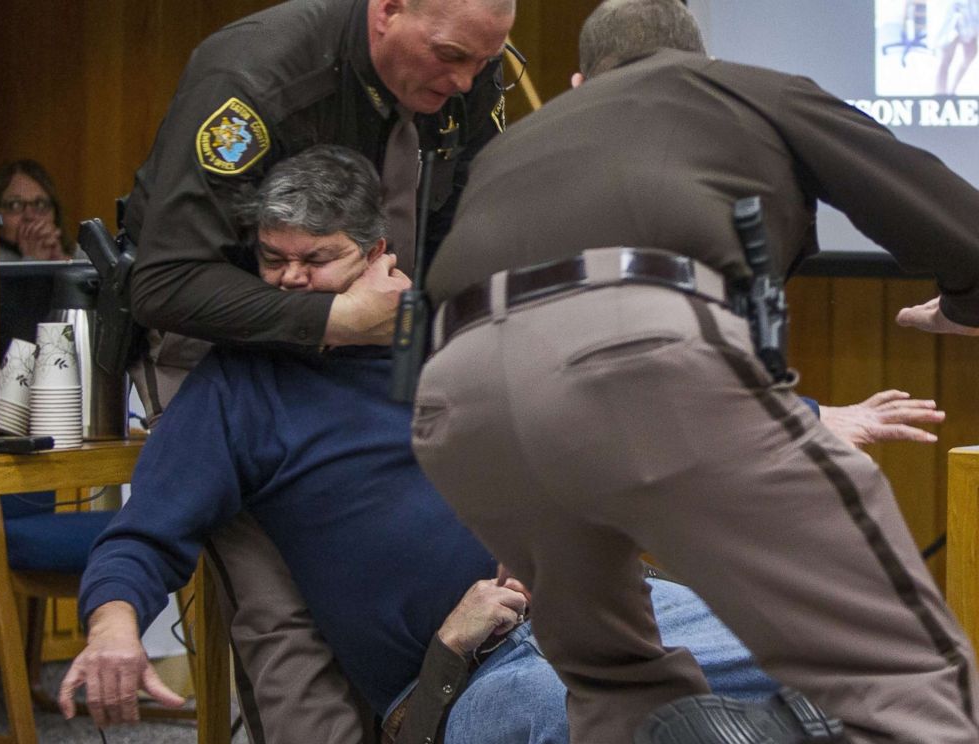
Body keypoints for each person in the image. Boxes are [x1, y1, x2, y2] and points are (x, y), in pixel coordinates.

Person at [58, 145, 779, 744]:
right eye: (273, 261)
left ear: (376, 256)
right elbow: (145, 533)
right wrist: (113, 626)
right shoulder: (239, 386)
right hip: (477, 668)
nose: (290, 282)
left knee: (822, 657)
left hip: (604, 598)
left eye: (317, 260)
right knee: (600, 717)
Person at [410, 1, 979, 742]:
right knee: (901, 672)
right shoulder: (744, 88)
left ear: (583, 82)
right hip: (640, 347)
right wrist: (964, 303)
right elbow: (953, 221)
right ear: (698, 57)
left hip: (454, 399)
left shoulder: (512, 146)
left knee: (616, 684)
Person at [117, 1, 515, 741]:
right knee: (287, 620)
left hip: (380, 350)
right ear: (388, 10)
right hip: (226, 344)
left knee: (409, 562)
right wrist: (331, 320)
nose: (465, 81)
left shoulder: (469, 73)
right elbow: (165, 281)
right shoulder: (254, 78)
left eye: (484, 62)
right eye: (450, 55)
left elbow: (463, 225)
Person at [0, 159, 74, 261]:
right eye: (15, 205)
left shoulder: (81, 254)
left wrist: (63, 264)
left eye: (40, 204)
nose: (30, 216)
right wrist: (33, 261)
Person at [935, 0, 979, 95]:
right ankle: (940, 95)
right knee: (946, 57)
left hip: (971, 10)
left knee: (970, 53)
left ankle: (952, 91)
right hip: (956, 10)